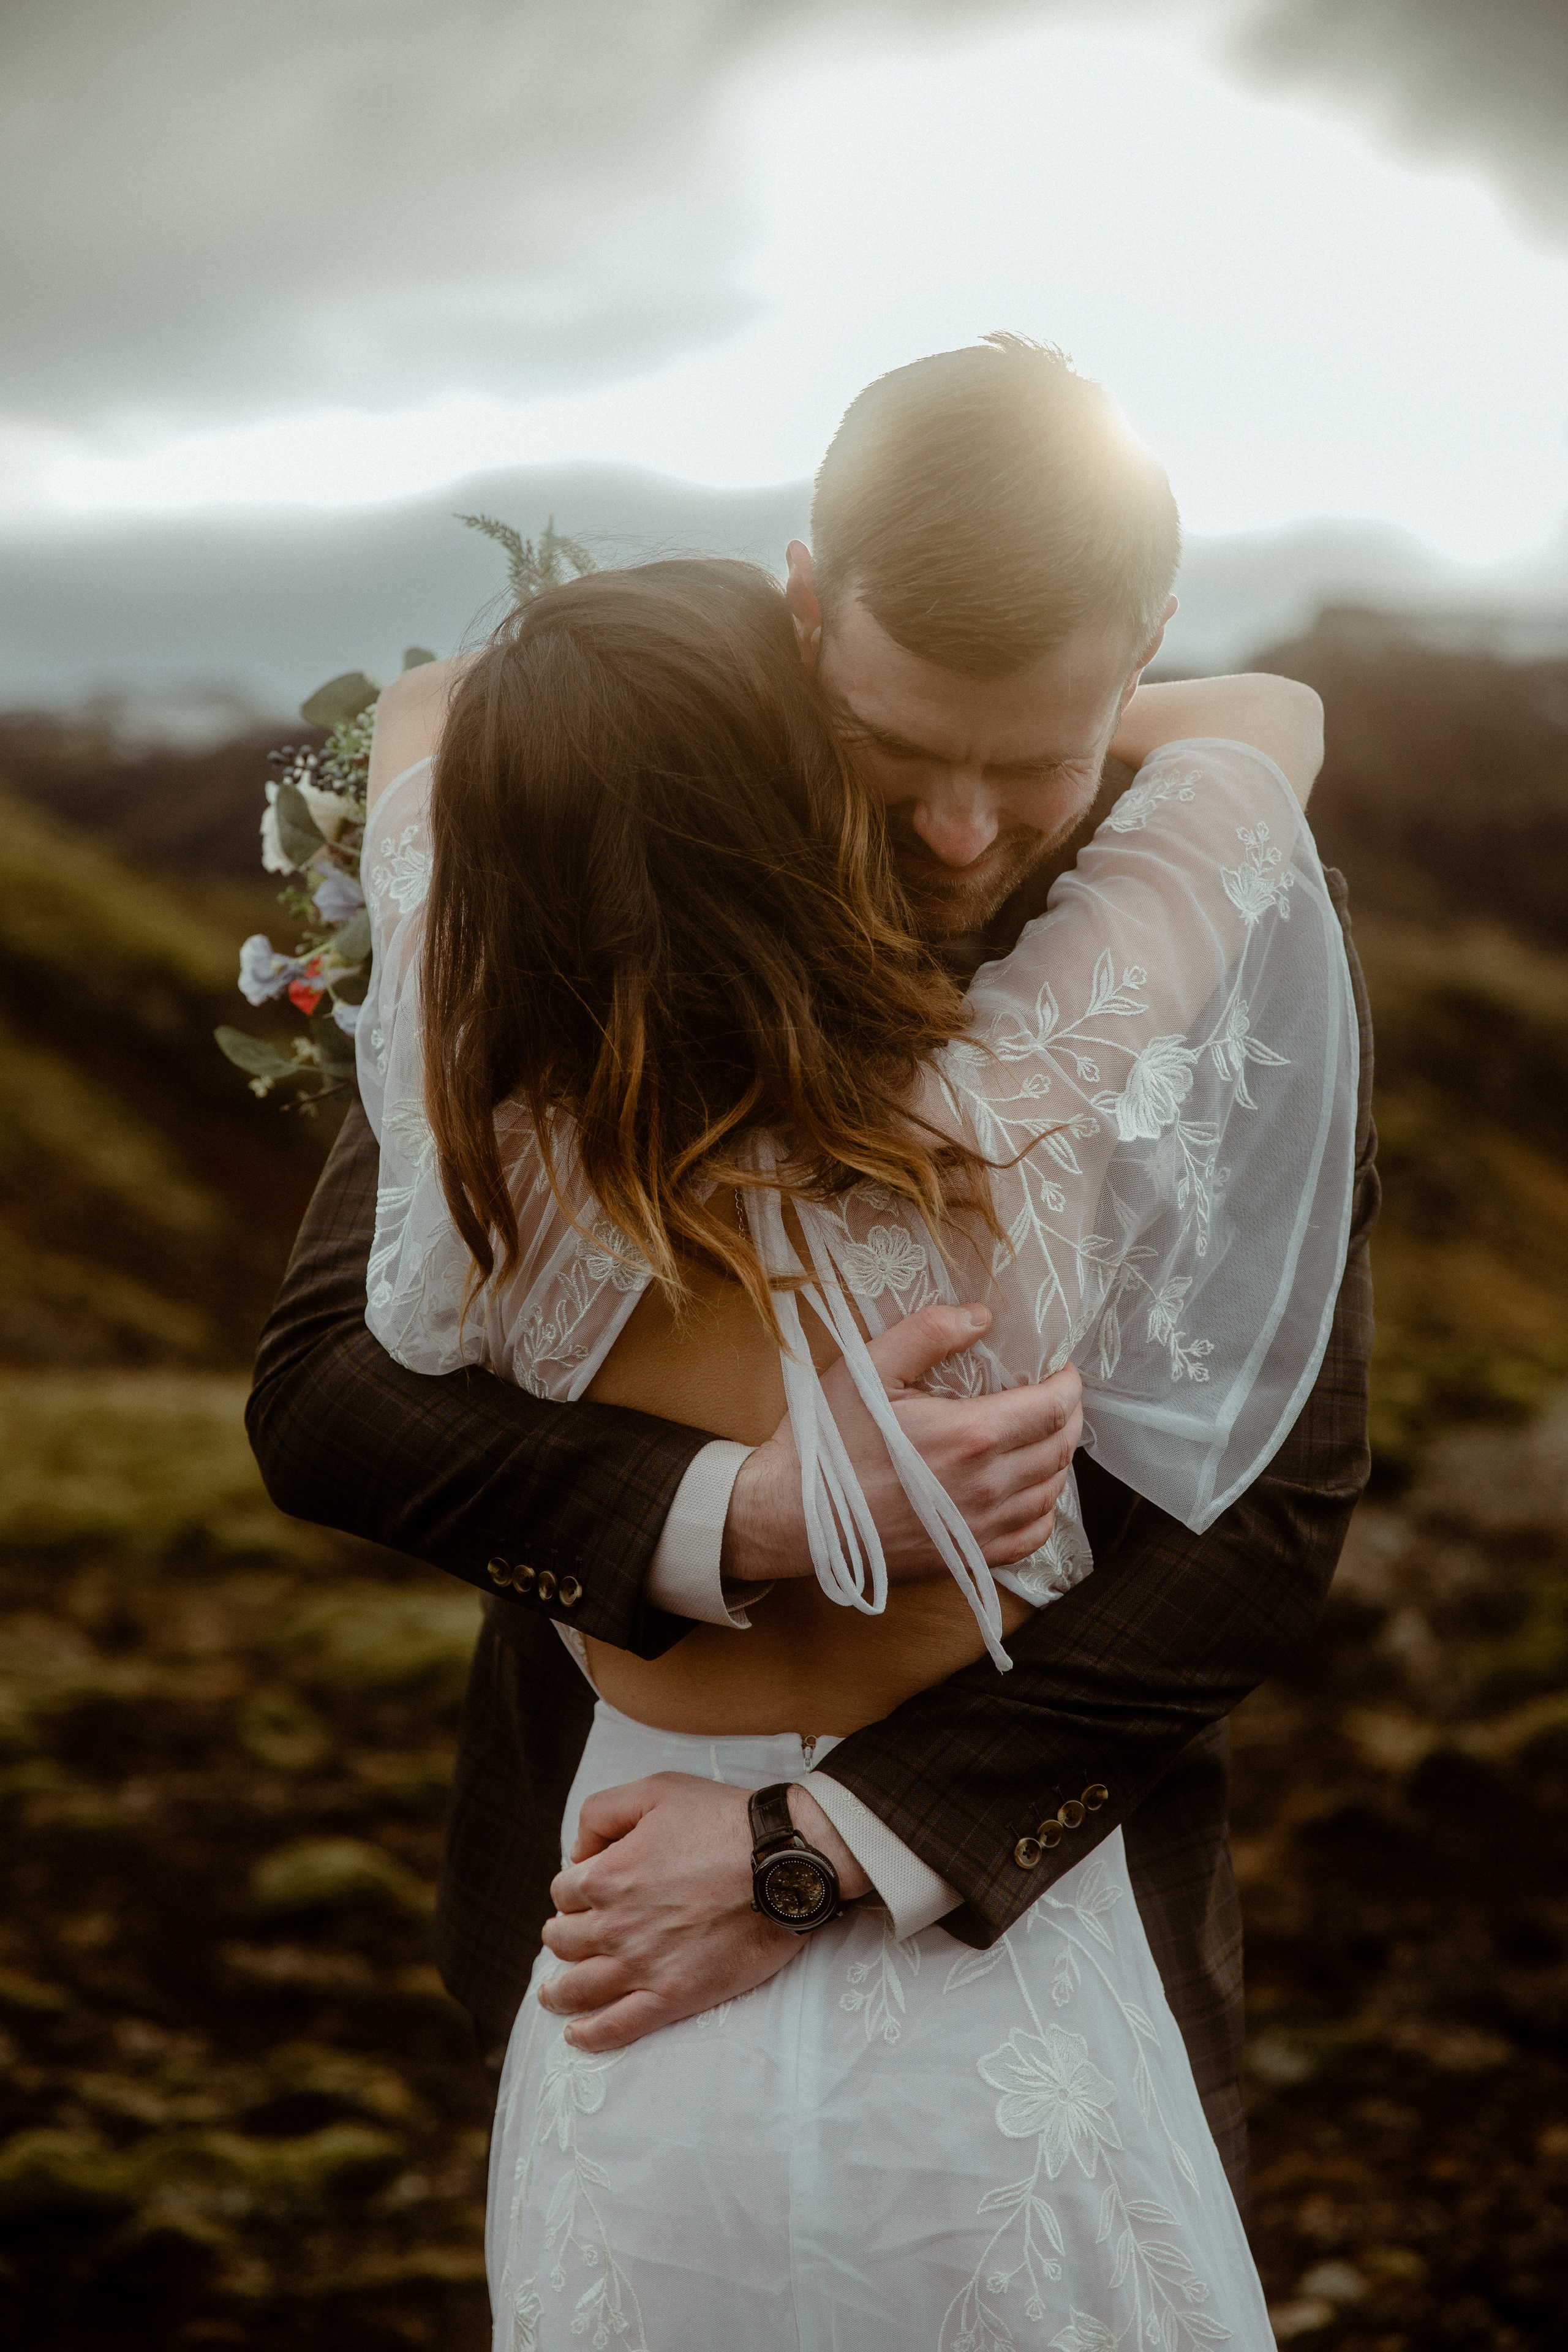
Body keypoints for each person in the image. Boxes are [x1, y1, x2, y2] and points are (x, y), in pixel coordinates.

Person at [246, 339, 1378, 2277]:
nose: (960, 834)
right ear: (797, 618)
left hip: (1002, 1880)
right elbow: (326, 1398)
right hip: (599, 1917)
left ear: (1138, 654)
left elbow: (1266, 1517)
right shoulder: (570, 936)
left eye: (1032, 763)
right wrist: (747, 1516)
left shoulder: (491, 941)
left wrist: (821, 1849)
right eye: (896, 752)